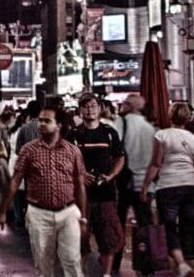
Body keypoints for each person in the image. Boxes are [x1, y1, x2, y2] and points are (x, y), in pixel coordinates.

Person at [0, 98, 88, 277]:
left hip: (68, 211)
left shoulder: (72, 151)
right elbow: (15, 180)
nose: (41, 124)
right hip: (39, 214)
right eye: (40, 120)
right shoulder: (28, 150)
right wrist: (2, 210)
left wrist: (83, 216)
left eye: (47, 121)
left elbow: (80, 184)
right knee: (43, 264)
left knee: (72, 261)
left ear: (59, 125)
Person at [141, 102, 194, 277]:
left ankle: (181, 264)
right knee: (188, 226)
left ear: (170, 116)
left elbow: (156, 163)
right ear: (188, 118)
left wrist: (145, 186)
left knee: (168, 226)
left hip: (168, 185)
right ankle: (190, 264)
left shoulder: (162, 135)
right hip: (192, 186)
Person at [69, 93, 124, 276]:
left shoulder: (109, 133)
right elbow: (64, 162)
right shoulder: (73, 135)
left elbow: (119, 158)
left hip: (106, 195)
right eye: (85, 106)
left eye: (93, 105)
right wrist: (80, 176)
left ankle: (106, 274)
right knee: (79, 240)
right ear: (80, 110)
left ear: (100, 108)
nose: (89, 109)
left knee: (108, 238)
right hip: (80, 198)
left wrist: (111, 175)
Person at [112, 93, 155, 274]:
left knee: (118, 225)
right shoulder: (150, 128)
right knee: (145, 226)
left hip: (125, 183)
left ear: (129, 105)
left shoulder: (122, 123)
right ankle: (147, 264)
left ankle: (115, 264)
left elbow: (115, 147)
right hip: (146, 184)